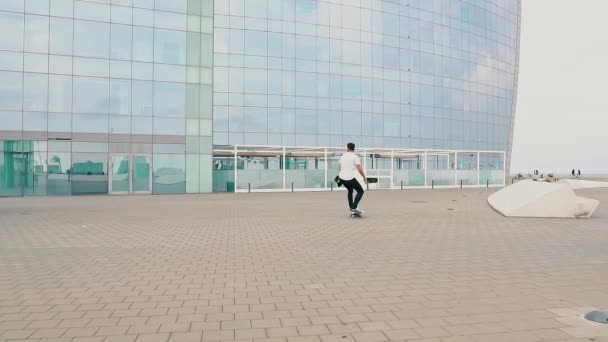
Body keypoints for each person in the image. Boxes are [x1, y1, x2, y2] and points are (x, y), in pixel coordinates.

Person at [339, 143, 367, 214]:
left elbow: (340, 167)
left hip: (342, 178)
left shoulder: (342, 156)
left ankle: (351, 207)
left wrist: (340, 176)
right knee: (360, 191)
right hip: (349, 178)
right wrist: (364, 177)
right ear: (354, 149)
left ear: (347, 148)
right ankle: (354, 208)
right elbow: (360, 169)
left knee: (350, 190)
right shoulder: (355, 157)